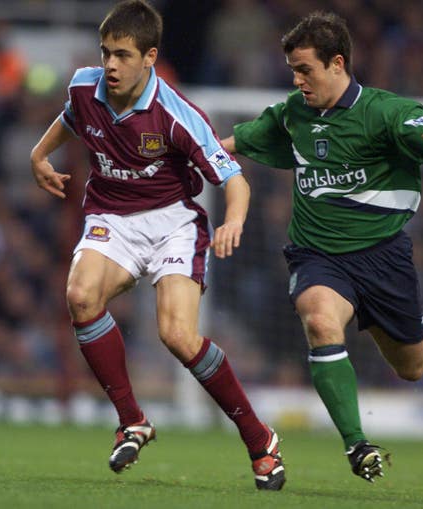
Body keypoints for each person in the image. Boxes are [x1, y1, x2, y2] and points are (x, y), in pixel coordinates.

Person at [29, 0, 285, 491]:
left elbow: (234, 179)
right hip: (111, 218)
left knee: (177, 335)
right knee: (81, 297)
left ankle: (259, 440)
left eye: (122, 55)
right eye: (106, 52)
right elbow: (69, 118)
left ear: (149, 57)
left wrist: (234, 220)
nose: (110, 64)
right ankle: (132, 421)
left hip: (173, 224)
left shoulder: (176, 114)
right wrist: (39, 155)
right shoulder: (86, 87)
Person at [221, 11, 423, 483]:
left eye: (305, 69)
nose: (297, 79)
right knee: (318, 319)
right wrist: (195, 153)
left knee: (409, 367)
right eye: (292, 69)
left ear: (337, 63)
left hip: (383, 257)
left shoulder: (382, 111)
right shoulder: (294, 112)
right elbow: (238, 140)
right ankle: (357, 445)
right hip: (318, 256)